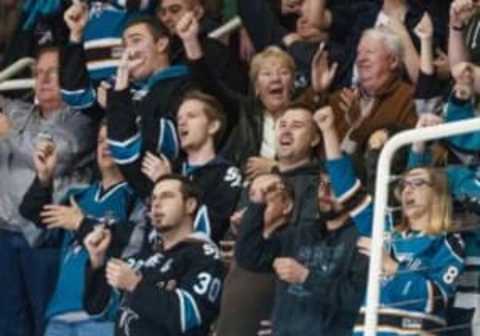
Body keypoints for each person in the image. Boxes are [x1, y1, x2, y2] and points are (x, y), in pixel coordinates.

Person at [316, 105, 466, 335]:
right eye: (405, 185)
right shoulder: (384, 226)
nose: (407, 190)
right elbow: (347, 189)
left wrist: (391, 266)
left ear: (438, 193)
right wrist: (328, 131)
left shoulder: (448, 242)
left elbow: (436, 300)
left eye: (418, 184)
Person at [0, 46, 95, 336]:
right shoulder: (17, 110)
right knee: (8, 322)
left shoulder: (80, 119)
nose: (44, 80)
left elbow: (57, 152)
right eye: (39, 73)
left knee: (44, 320)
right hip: (4, 234)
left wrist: (8, 133)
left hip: (44, 238)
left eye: (53, 73)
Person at [19, 122, 142, 336]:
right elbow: (34, 214)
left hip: (102, 315)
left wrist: (81, 223)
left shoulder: (136, 197)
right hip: (59, 314)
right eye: (100, 141)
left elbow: (132, 240)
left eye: (112, 140)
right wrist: (44, 178)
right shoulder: (79, 194)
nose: (105, 146)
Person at [235, 159, 369, 335]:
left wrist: (307, 277)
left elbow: (356, 299)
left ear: (354, 193)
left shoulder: (363, 240)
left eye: (334, 184)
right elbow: (249, 256)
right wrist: (258, 202)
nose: (325, 191)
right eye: (322, 182)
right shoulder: (300, 234)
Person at [83, 174, 225, 336]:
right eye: (154, 198)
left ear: (190, 205)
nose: (156, 204)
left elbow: (188, 317)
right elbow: (98, 310)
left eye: (167, 197)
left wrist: (135, 285)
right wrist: (97, 261)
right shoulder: (142, 258)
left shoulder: (204, 254)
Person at [141, 91, 242, 242]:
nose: (181, 122)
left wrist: (166, 183)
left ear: (213, 126)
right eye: (179, 118)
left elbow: (207, 230)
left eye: (191, 116)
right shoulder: (166, 167)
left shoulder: (227, 174)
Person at [215, 173, 293, 336]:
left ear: (287, 205)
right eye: (253, 196)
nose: (257, 202)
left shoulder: (290, 240)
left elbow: (253, 254)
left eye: (266, 193)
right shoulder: (243, 243)